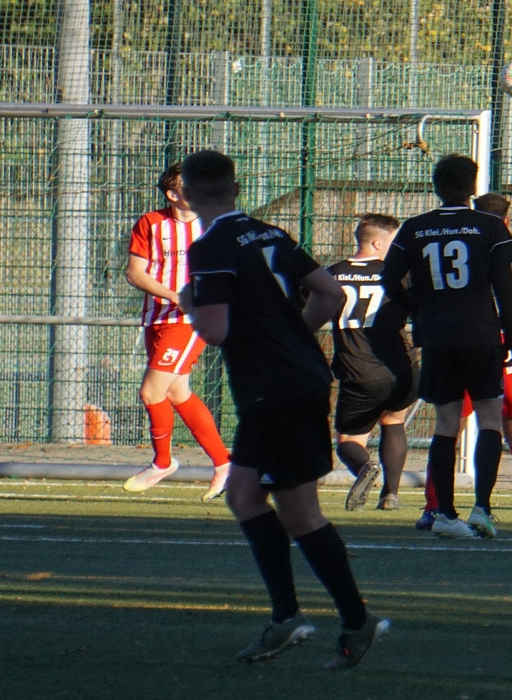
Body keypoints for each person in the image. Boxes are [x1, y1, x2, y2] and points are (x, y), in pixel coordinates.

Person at [180, 149, 388, 669]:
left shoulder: (210, 247)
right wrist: (295, 333)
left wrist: (190, 303)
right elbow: (329, 292)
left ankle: (355, 621)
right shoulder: (270, 233)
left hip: (276, 389)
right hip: (287, 382)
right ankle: (287, 617)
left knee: (300, 513)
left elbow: (214, 330)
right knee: (244, 495)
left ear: (186, 194)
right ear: (236, 188)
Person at [381, 154, 512, 539]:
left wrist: (418, 308)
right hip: (481, 335)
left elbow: (389, 280)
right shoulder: (490, 226)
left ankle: (444, 512)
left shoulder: (414, 228)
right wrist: (510, 335)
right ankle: (482, 509)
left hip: (437, 336)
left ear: (435, 186)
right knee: (489, 418)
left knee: (446, 423)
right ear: (473, 187)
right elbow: (504, 287)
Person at [414, 193, 512, 534]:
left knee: (448, 427)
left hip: (464, 347)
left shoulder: (465, 256)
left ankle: (433, 509)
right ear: (508, 221)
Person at [122, 163, 231, 500]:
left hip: (192, 321)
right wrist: (173, 296)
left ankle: (163, 462)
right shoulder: (151, 223)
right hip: (158, 317)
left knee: (151, 392)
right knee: (177, 392)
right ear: (173, 194)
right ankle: (224, 463)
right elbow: (135, 273)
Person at [327, 213, 420, 512]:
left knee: (348, 441)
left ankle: (365, 467)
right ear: (378, 244)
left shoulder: (332, 274)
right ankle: (390, 495)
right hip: (401, 365)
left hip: (359, 368)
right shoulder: (400, 274)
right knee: (393, 421)